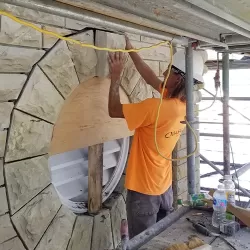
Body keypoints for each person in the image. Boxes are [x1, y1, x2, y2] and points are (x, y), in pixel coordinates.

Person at [108, 37, 205, 238]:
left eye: (168, 69)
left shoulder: (155, 107)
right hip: (164, 189)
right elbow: (150, 76)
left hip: (144, 192)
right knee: (160, 240)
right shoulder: (181, 103)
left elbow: (113, 110)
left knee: (143, 244)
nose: (163, 72)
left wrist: (115, 76)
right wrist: (131, 50)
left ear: (178, 78)